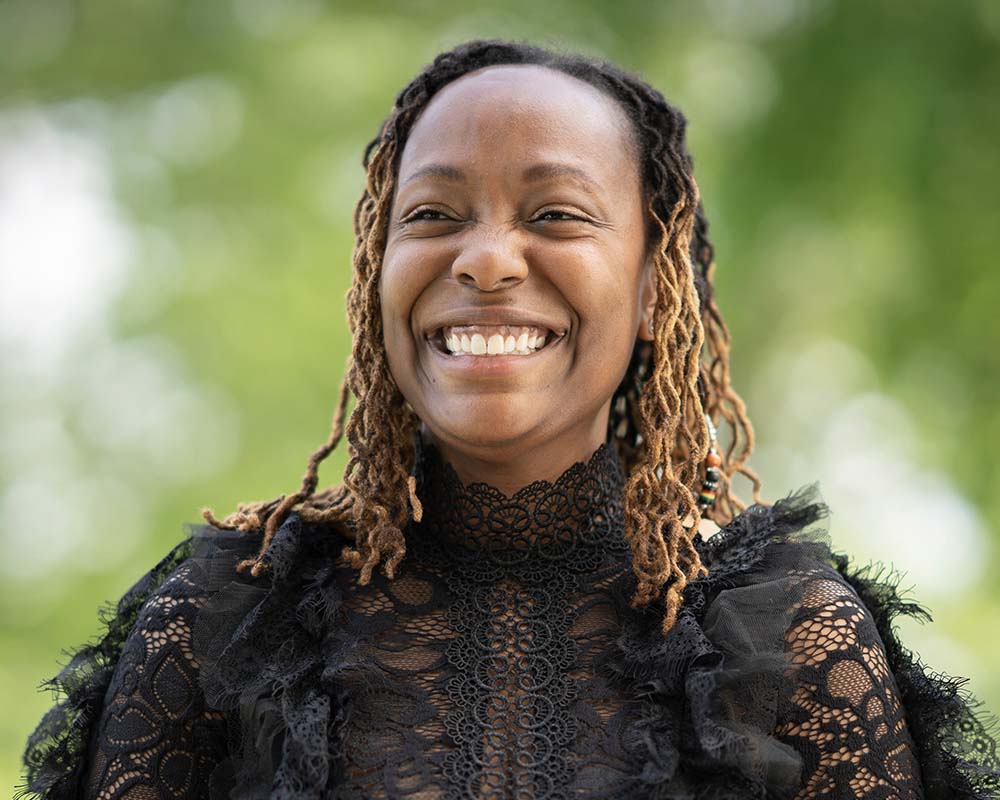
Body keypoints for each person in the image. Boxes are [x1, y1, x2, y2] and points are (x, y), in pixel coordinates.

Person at [19, 39, 1000, 800]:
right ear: (376, 280)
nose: (486, 258)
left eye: (556, 214)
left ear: (655, 288)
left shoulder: (791, 639)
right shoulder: (218, 625)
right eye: (434, 216)